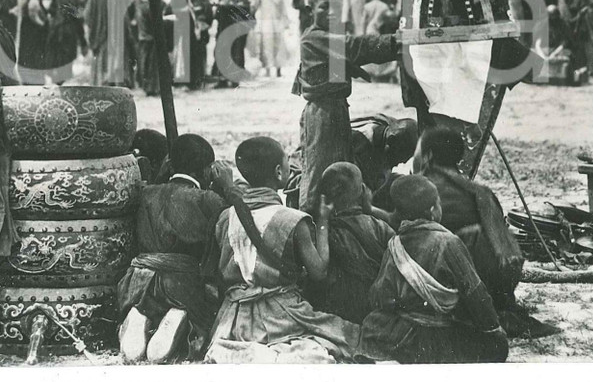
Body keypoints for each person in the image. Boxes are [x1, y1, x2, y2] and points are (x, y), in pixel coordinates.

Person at [205, 137, 359, 364]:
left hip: (235, 316)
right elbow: (319, 272)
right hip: (282, 311)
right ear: (279, 173)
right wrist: (323, 220)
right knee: (348, 336)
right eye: (288, 160)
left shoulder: (226, 216)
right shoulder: (293, 220)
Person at [359, 175, 508, 364]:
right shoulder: (448, 243)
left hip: (399, 334)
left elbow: (379, 295)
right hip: (438, 338)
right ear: (432, 211)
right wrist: (494, 330)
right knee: (497, 346)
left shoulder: (395, 245)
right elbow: (476, 294)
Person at [118, 134, 231, 363]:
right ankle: (180, 317)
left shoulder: (146, 194)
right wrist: (227, 189)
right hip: (180, 284)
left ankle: (140, 315)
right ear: (208, 170)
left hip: (139, 281)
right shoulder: (207, 199)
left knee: (146, 304)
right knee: (203, 314)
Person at [293, 0, 398, 213]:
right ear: (311, 10)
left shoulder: (326, 37)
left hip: (335, 110)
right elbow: (355, 47)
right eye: (324, 7)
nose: (331, 13)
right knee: (319, 168)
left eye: (337, 8)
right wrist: (395, 43)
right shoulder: (313, 38)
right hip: (322, 114)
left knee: (337, 164)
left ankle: (334, 216)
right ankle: (308, 216)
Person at [412, 127, 523, 319]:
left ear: (427, 156)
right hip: (491, 291)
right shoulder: (482, 193)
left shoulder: (420, 189)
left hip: (448, 294)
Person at [309, 162, 394, 324]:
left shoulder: (321, 231)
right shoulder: (380, 227)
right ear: (362, 191)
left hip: (335, 311)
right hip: (374, 310)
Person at [214, 0, 254, 88]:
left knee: (236, 51)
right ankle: (222, 79)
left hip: (235, 26)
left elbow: (244, 8)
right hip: (224, 25)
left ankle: (234, 79)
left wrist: (229, 5)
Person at [45, 0, 87, 82]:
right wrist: (83, 42)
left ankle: (55, 77)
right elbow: (78, 20)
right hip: (69, 32)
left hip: (56, 30)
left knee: (56, 54)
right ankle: (63, 79)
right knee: (67, 58)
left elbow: (51, 10)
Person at [251, 0, 289, 78]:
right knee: (266, 46)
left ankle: (278, 70)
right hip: (265, 24)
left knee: (278, 46)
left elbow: (283, 9)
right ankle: (267, 70)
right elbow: (254, 7)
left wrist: (286, 23)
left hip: (277, 23)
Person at [185, 0, 213, 90]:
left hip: (198, 31)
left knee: (198, 56)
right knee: (194, 57)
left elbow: (207, 13)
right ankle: (194, 81)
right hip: (189, 32)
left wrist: (201, 24)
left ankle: (198, 81)